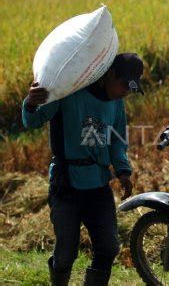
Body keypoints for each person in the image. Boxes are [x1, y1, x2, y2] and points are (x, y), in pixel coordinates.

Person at [21, 53, 144, 286]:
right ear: (110, 75)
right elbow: (33, 121)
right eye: (123, 85)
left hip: (98, 183)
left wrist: (123, 171)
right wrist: (30, 102)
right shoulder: (70, 92)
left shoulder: (117, 104)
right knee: (66, 251)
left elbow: (117, 141)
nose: (125, 92)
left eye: (130, 89)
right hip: (66, 182)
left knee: (108, 247)